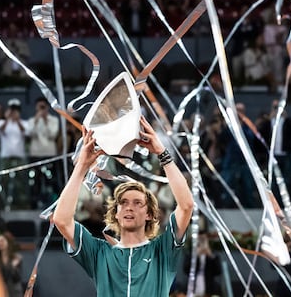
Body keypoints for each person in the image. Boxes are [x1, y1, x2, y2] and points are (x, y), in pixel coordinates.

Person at [53, 116, 194, 297]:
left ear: (150, 214)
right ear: (116, 214)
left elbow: (186, 205)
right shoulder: (99, 253)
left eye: (137, 203)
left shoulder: (162, 250)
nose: (129, 207)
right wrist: (81, 166)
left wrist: (162, 153)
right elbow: (61, 220)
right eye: (123, 203)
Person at [0, 98, 30, 209]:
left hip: (19, 157)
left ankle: (21, 204)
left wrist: (17, 120)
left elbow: (26, 132)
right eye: (12, 109)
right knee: (4, 180)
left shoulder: (24, 123)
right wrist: (7, 118)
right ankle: (3, 204)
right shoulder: (2, 122)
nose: (14, 112)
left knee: (21, 181)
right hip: (5, 157)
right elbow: (0, 130)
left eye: (16, 109)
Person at [27, 97, 60, 209]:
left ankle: (53, 203)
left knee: (50, 180)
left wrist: (46, 121)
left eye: (43, 107)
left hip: (49, 155)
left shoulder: (53, 120)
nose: (41, 109)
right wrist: (37, 120)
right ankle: (34, 204)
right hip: (35, 155)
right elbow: (29, 133)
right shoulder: (32, 120)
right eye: (39, 107)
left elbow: (53, 135)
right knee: (35, 181)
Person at [183, 230, 221, 297]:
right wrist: (196, 255)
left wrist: (210, 255)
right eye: (199, 239)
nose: (201, 241)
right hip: (193, 286)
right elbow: (186, 270)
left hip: (208, 287)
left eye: (203, 239)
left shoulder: (213, 254)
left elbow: (218, 271)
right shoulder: (190, 254)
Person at [0, 232, 23, 297]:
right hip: (0, 291)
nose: (0, 243)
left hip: (14, 291)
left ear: (8, 241)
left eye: (2, 240)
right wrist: (12, 266)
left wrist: (12, 267)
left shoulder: (17, 257)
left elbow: (16, 277)